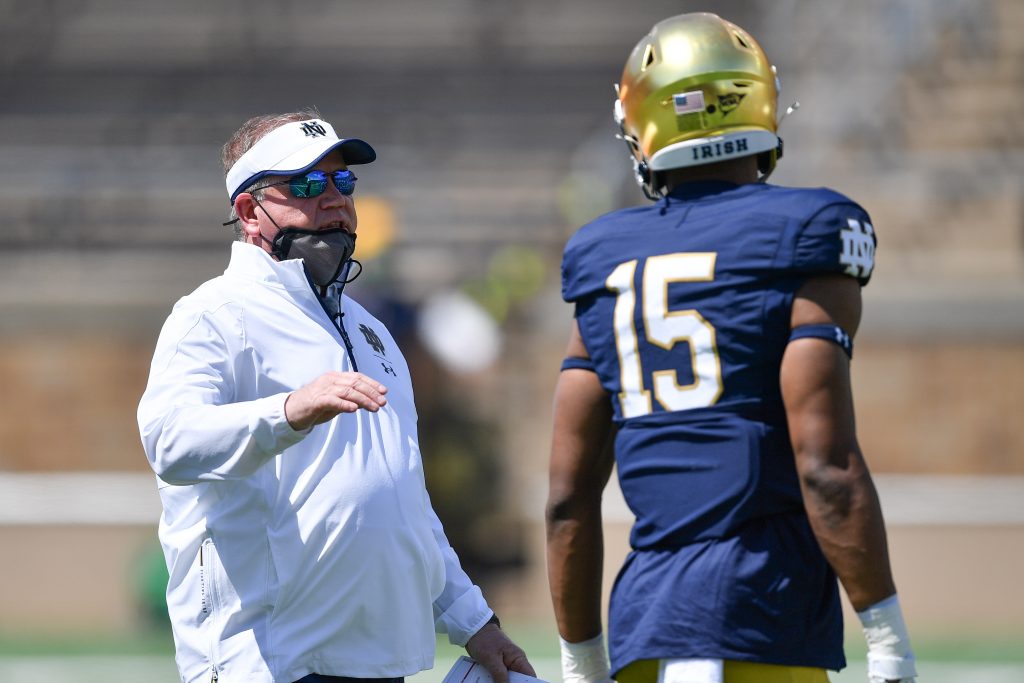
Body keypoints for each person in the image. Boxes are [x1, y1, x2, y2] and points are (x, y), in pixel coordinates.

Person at [545, 13, 917, 683]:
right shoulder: (809, 226)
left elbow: (568, 499)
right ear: (759, 102)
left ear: (643, 124)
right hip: (758, 618)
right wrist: (888, 639)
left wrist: (580, 662)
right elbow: (826, 466)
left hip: (644, 631)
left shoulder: (600, 256)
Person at [138, 108, 535, 683]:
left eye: (342, 181)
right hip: (269, 661)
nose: (333, 198)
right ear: (250, 211)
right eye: (305, 184)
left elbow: (406, 504)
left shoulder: (371, 330)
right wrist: (289, 411)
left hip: (373, 659)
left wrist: (475, 623)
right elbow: (170, 443)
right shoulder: (213, 316)